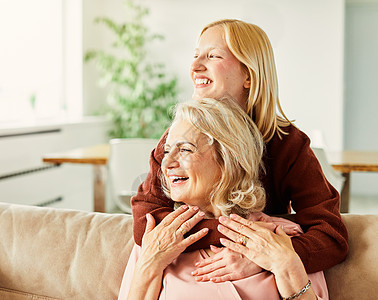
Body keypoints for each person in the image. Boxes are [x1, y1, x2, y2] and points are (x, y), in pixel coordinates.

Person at [131, 19, 348, 281]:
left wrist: (264, 258)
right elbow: (146, 219)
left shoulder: (288, 144)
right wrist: (243, 240)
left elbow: (330, 236)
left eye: (212, 56)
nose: (194, 66)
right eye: (195, 55)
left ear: (249, 75)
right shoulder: (178, 135)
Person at [118, 98, 328, 300]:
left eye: (185, 149)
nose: (166, 164)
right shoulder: (157, 238)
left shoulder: (283, 238)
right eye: (166, 151)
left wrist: (286, 266)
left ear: (227, 160)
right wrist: (150, 264)